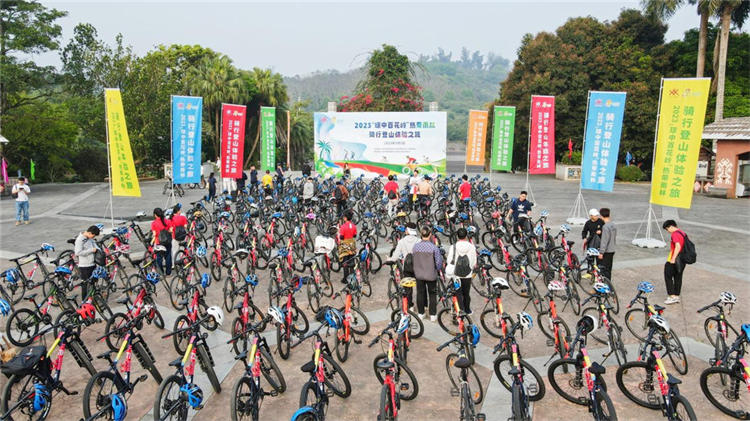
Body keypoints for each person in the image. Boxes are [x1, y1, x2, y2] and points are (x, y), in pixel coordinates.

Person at [412, 226, 443, 321]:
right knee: (432, 294)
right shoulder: (434, 248)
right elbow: (438, 263)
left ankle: (421, 313)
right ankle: (433, 314)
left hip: (419, 274)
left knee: (420, 293)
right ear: (430, 234)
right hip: (431, 274)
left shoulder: (415, 247)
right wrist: (437, 269)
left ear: (421, 234)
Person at [388, 222, 420, 308]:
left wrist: (389, 259)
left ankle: (410, 306)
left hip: (407, 267)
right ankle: (423, 307)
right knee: (420, 287)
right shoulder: (419, 240)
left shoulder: (402, 241)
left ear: (407, 230)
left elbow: (395, 256)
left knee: (408, 287)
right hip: (418, 266)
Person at [446, 227, 477, 314]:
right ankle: (467, 310)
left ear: (457, 236)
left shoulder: (453, 247)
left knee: (458, 293)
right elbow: (474, 261)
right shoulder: (471, 247)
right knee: (466, 293)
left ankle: (460, 310)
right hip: (467, 274)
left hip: (456, 274)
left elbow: (449, 260)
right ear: (466, 236)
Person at [663, 220, 687, 304]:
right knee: (678, 277)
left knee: (668, 276)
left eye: (667, 229)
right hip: (682, 260)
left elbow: (678, 246)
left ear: (671, 226)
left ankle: (672, 296)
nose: (668, 231)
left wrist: (673, 258)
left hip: (674, 259)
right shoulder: (682, 233)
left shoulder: (675, 234)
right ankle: (676, 296)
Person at [74, 225, 100, 299]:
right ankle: (84, 302)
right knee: (85, 285)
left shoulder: (89, 238)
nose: (93, 237)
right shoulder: (79, 240)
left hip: (92, 263)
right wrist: (91, 250)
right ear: (89, 233)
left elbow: (95, 245)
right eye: (93, 235)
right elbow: (78, 252)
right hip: (85, 266)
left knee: (93, 283)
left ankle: (92, 298)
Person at [151, 208, 173, 276]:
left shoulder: (153, 223)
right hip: (167, 242)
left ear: (155, 215)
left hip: (159, 243)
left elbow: (154, 234)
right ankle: (168, 273)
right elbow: (171, 230)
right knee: (168, 257)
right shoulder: (167, 221)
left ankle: (161, 272)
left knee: (159, 258)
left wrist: (152, 241)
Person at [597, 208, 616, 282]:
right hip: (612, 249)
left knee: (603, 270)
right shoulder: (613, 225)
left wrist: (601, 252)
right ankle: (609, 284)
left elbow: (604, 241)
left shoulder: (605, 227)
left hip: (606, 251)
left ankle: (604, 286)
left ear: (601, 216)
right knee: (608, 269)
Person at [338, 211, 357, 284]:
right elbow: (355, 235)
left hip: (345, 245)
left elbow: (342, 237)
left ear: (345, 218)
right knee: (351, 261)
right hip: (352, 245)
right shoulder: (353, 226)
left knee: (345, 262)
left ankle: (345, 278)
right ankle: (352, 277)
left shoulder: (343, 227)